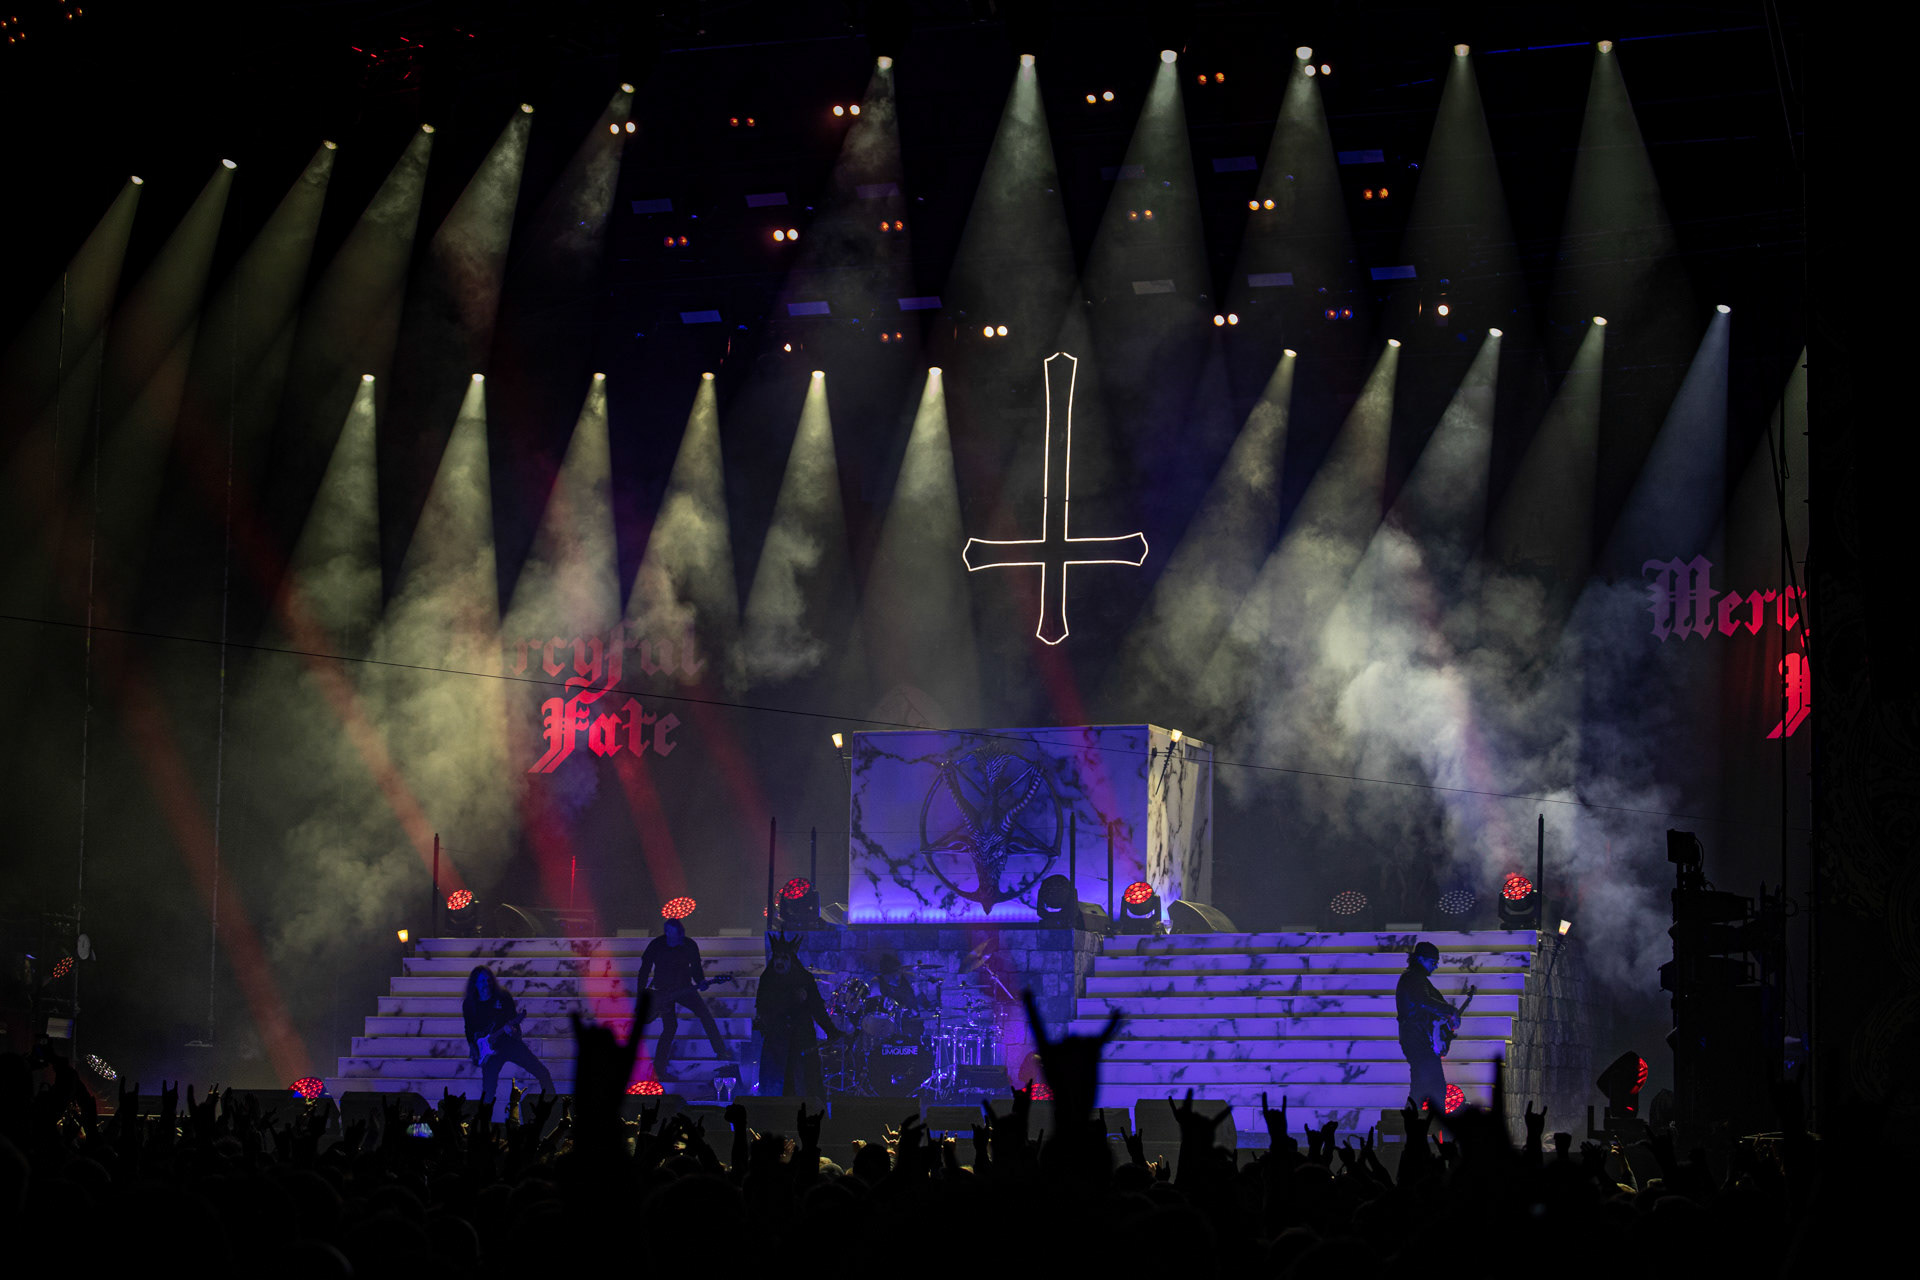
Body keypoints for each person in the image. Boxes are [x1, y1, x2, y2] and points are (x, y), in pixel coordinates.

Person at [638, 917, 733, 1082]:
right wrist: (642, 995)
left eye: (677, 934)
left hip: (685, 989)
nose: (675, 937)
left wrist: (701, 982)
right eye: (671, 934)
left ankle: (720, 1051)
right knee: (670, 1028)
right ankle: (659, 1069)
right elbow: (644, 969)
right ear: (666, 932)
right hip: (662, 992)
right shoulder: (657, 945)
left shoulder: (689, 945)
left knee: (704, 1014)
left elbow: (696, 968)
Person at [754, 932, 841, 1097]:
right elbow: (763, 1006)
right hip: (777, 1040)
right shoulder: (768, 978)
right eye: (777, 957)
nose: (779, 962)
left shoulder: (804, 979)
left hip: (802, 1038)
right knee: (776, 1086)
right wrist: (789, 998)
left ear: (791, 960)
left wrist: (831, 1030)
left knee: (805, 1085)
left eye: (784, 958)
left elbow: (816, 1007)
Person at [462, 965, 555, 1104]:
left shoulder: (502, 997)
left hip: (510, 1045)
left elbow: (514, 1022)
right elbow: (469, 1028)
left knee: (542, 1073)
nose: (486, 984)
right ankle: (483, 1123)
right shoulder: (469, 1004)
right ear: (474, 983)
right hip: (489, 1052)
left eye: (488, 980)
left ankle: (553, 1109)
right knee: (488, 1091)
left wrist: (514, 1032)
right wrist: (474, 1047)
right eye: (482, 981)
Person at [1395, 940, 1459, 1121]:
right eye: (1432, 962)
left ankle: (1417, 1127)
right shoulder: (1413, 979)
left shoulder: (1414, 978)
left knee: (1422, 1084)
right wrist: (1450, 1012)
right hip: (1417, 1039)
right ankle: (1437, 1128)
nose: (1435, 966)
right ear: (1421, 959)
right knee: (1435, 1085)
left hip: (1417, 1038)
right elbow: (1425, 1001)